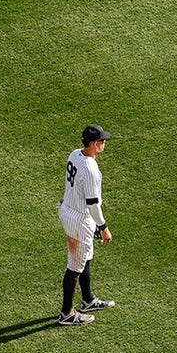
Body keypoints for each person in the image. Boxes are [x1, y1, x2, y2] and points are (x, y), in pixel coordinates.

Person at [57, 125, 117, 325]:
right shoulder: (90, 169)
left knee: (85, 257)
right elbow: (93, 204)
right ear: (94, 144)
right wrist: (103, 227)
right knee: (74, 267)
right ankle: (67, 313)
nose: (104, 143)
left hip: (69, 209)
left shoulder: (75, 154)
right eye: (102, 140)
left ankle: (88, 300)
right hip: (79, 219)